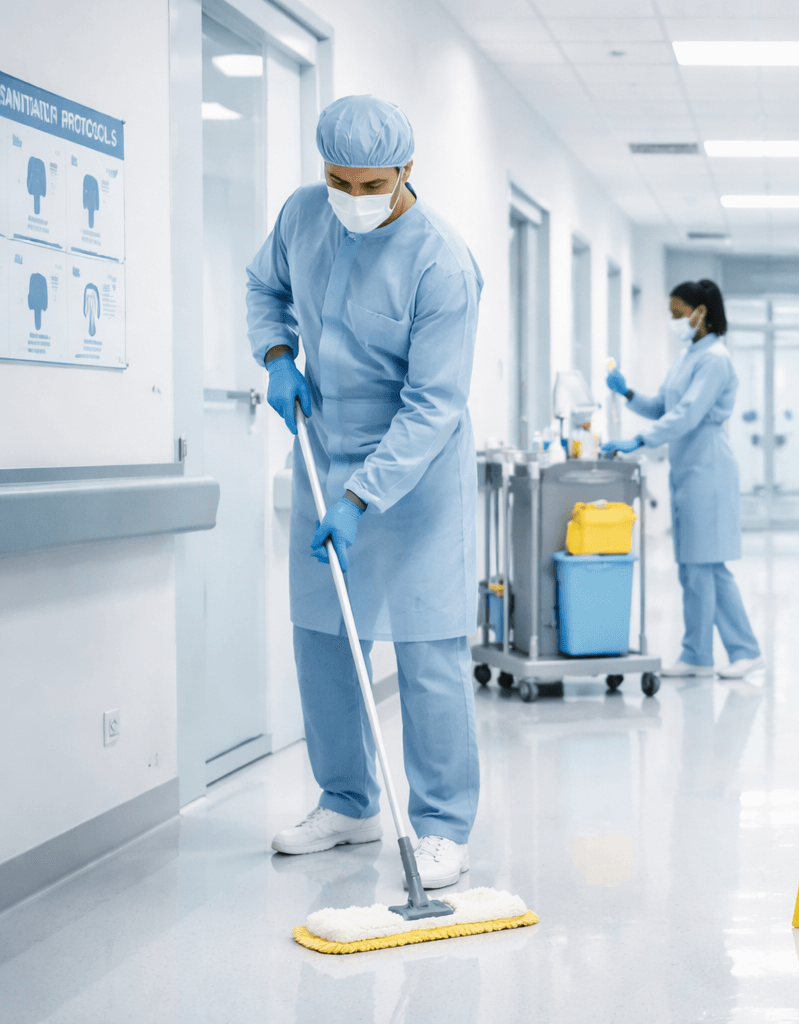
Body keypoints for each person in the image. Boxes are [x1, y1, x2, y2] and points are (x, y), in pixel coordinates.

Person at [247, 95, 484, 888]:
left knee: (427, 653)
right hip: (324, 453)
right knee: (323, 639)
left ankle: (442, 826)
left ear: (408, 172)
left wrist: (360, 500)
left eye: (371, 183)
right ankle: (348, 802)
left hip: (416, 483)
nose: (353, 199)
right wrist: (279, 353)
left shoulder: (441, 264)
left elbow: (433, 406)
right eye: (337, 180)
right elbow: (263, 287)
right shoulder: (302, 216)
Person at [602, 280, 765, 679]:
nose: (674, 321)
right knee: (694, 568)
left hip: (708, 468)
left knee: (707, 565)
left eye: (678, 313)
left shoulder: (715, 360)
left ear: (700, 313)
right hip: (688, 468)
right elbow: (663, 406)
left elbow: (688, 414)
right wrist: (628, 395)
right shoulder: (689, 356)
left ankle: (741, 651)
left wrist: (639, 440)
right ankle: (698, 654)